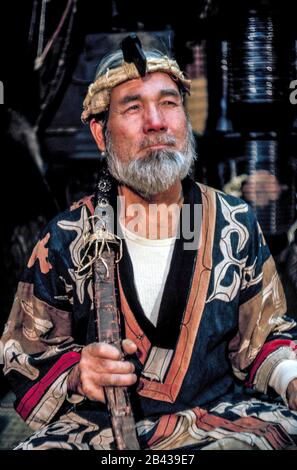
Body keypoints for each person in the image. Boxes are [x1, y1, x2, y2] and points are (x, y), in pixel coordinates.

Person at [1, 33, 297, 451]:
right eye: (134, 107)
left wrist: (291, 378)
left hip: (212, 424)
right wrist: (78, 370)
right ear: (101, 134)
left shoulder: (234, 223)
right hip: (99, 433)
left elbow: (264, 337)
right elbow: (22, 352)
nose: (156, 122)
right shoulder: (66, 238)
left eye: (169, 103)